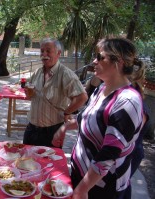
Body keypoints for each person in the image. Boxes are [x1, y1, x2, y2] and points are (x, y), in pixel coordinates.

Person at [52, 37, 145, 199]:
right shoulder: (102, 88)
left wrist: (82, 189)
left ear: (119, 62)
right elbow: (85, 118)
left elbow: (108, 155)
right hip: (81, 174)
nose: (94, 61)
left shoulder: (128, 101)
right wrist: (64, 127)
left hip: (101, 187)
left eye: (101, 57)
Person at [23, 38, 88, 148]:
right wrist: (29, 93)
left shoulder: (66, 74)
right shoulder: (37, 72)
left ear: (58, 53)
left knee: (49, 164)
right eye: (42, 51)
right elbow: (30, 96)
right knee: (25, 161)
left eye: (48, 51)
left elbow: (82, 97)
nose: (44, 54)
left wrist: (67, 112)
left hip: (51, 131)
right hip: (32, 129)